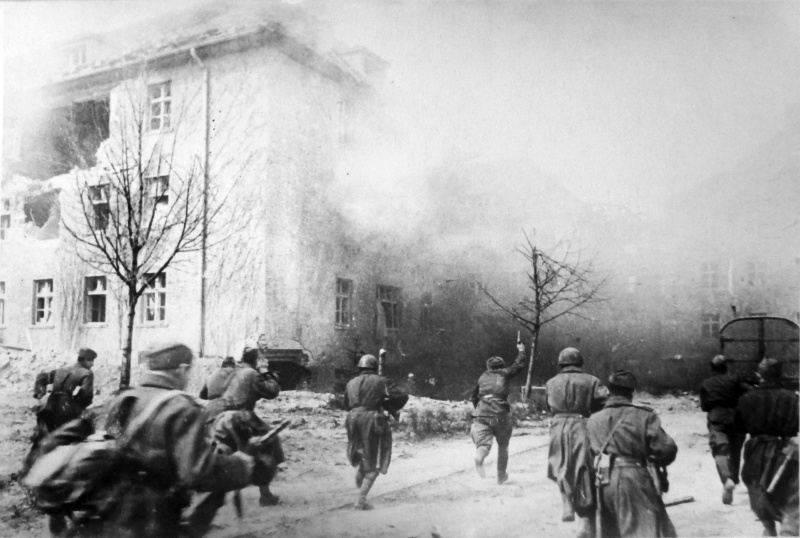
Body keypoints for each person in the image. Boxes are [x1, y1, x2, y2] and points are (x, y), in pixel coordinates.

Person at [33, 341, 272, 537]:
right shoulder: (180, 408)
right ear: (181, 370)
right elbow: (197, 472)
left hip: (102, 513)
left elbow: (67, 438)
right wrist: (243, 465)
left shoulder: (120, 399)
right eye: (188, 371)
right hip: (148, 520)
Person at [587, 370, 677, 538]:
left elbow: (590, 454)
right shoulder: (644, 416)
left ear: (609, 390)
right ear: (632, 392)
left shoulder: (593, 419)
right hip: (633, 479)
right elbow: (667, 449)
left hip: (603, 482)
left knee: (610, 533)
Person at [202, 344, 284, 507]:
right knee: (266, 442)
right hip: (237, 416)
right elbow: (272, 392)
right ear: (256, 360)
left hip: (212, 417)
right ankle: (265, 495)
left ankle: (212, 498)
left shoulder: (221, 373)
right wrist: (267, 375)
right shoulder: (251, 373)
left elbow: (204, 394)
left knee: (222, 452)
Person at [545, 347, 608, 536]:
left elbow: (548, 406)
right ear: (580, 362)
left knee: (559, 464)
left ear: (561, 363)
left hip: (557, 426)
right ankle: (585, 516)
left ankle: (567, 503)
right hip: (581, 425)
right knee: (583, 468)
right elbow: (603, 404)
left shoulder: (551, 382)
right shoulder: (592, 381)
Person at [736, 358, 799, 537]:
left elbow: (738, 429)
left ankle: (769, 529)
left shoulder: (746, 398)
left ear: (759, 375)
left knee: (757, 491)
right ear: (780, 374)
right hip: (786, 451)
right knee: (791, 493)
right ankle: (788, 530)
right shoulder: (793, 398)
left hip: (755, 451)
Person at [344, 350, 408, 510]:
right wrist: (388, 404)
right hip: (371, 419)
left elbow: (345, 404)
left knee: (361, 450)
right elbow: (402, 396)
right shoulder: (381, 381)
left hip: (352, 419)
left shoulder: (351, 383)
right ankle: (361, 500)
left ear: (360, 368)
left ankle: (361, 476)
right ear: (374, 367)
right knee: (376, 457)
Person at [24, 348, 97, 476]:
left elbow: (41, 376)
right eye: (91, 361)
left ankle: (27, 471)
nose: (93, 364)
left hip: (48, 405)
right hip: (66, 409)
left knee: (41, 438)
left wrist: (40, 393)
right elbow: (86, 396)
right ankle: (56, 473)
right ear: (85, 360)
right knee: (66, 440)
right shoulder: (87, 373)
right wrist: (77, 405)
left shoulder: (62, 370)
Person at [469, 340, 526, 484]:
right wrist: (521, 350)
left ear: (488, 366)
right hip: (500, 414)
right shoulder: (505, 373)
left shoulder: (482, 377)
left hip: (481, 414)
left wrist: (480, 409)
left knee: (483, 444)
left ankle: (479, 456)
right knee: (503, 445)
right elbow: (518, 365)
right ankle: (501, 475)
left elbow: (474, 397)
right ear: (502, 366)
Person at [699, 354, 753, 504]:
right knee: (736, 451)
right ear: (725, 367)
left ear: (712, 369)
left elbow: (704, 406)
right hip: (737, 418)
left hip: (717, 418)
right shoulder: (735, 380)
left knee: (720, 450)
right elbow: (748, 393)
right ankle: (733, 480)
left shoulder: (706, 383)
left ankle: (727, 479)